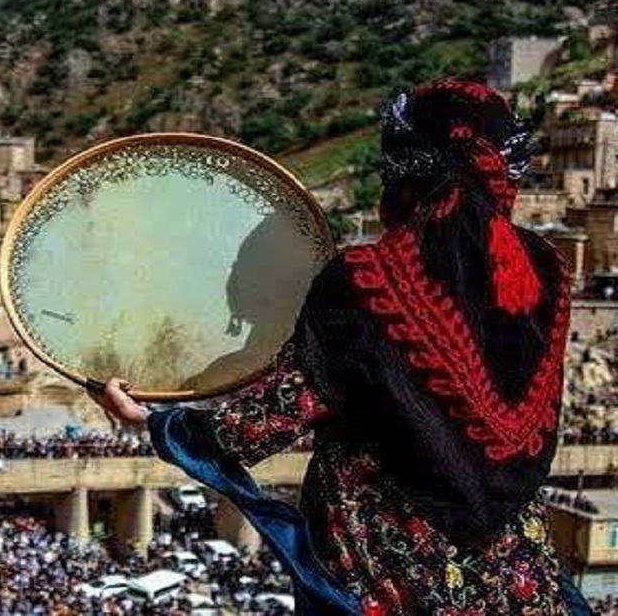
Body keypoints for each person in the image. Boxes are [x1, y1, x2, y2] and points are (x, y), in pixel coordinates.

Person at [91, 80, 592, 615]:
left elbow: (272, 416)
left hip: (392, 564)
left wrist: (155, 420)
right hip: (511, 568)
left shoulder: (369, 278)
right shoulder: (548, 270)